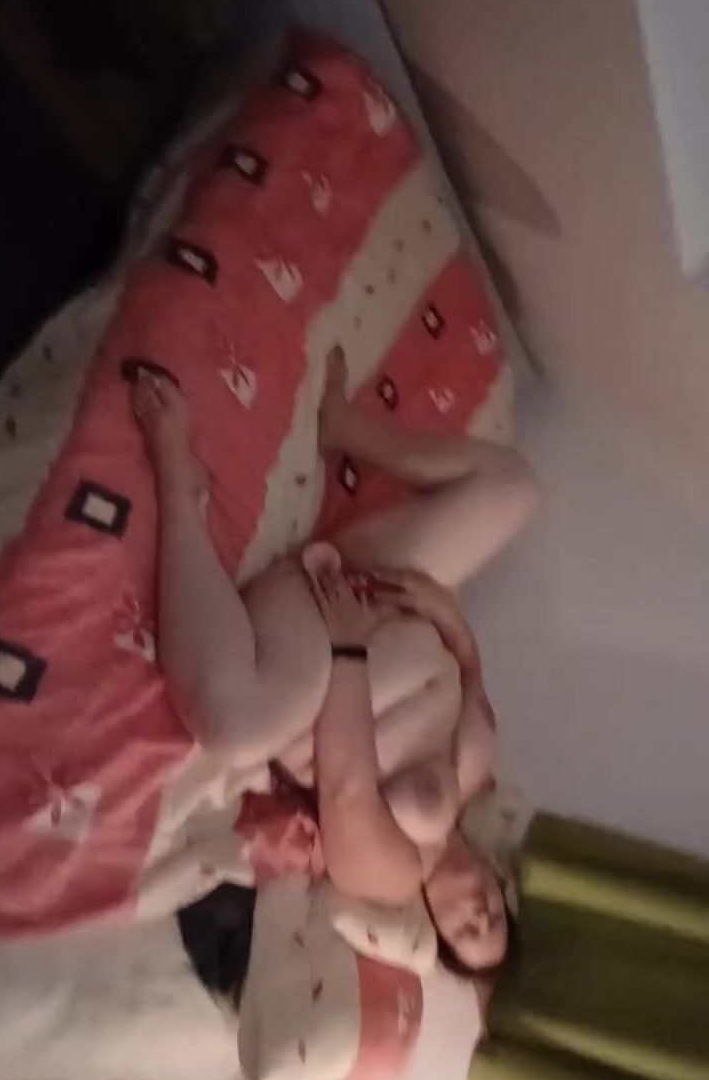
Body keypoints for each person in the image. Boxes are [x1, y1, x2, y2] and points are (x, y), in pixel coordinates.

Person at [132, 347, 535, 975]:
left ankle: (180, 489)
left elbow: (347, 789)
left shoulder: (394, 874)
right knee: (513, 489)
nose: (480, 916)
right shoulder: (478, 787)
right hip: (383, 582)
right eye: (496, 921)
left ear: (435, 928)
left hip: (318, 641)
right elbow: (469, 677)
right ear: (504, 891)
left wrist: (347, 647)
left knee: (236, 729)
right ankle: (344, 426)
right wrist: (446, 614)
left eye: (467, 932)